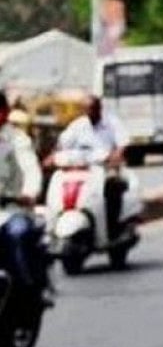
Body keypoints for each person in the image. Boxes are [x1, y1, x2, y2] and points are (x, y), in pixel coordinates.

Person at [56, 95, 130, 241]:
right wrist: (53, 156)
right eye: (87, 109)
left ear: (99, 109)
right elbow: (62, 144)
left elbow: (123, 144)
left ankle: (113, 229)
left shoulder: (112, 123)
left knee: (113, 186)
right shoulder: (78, 125)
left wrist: (115, 157)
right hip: (81, 170)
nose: (90, 112)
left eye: (93, 109)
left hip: (105, 168)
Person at [0, 92, 47, 292]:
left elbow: (30, 168)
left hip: (12, 209)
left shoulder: (17, 140)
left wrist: (29, 192)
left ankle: (26, 288)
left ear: (5, 112)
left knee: (18, 234)